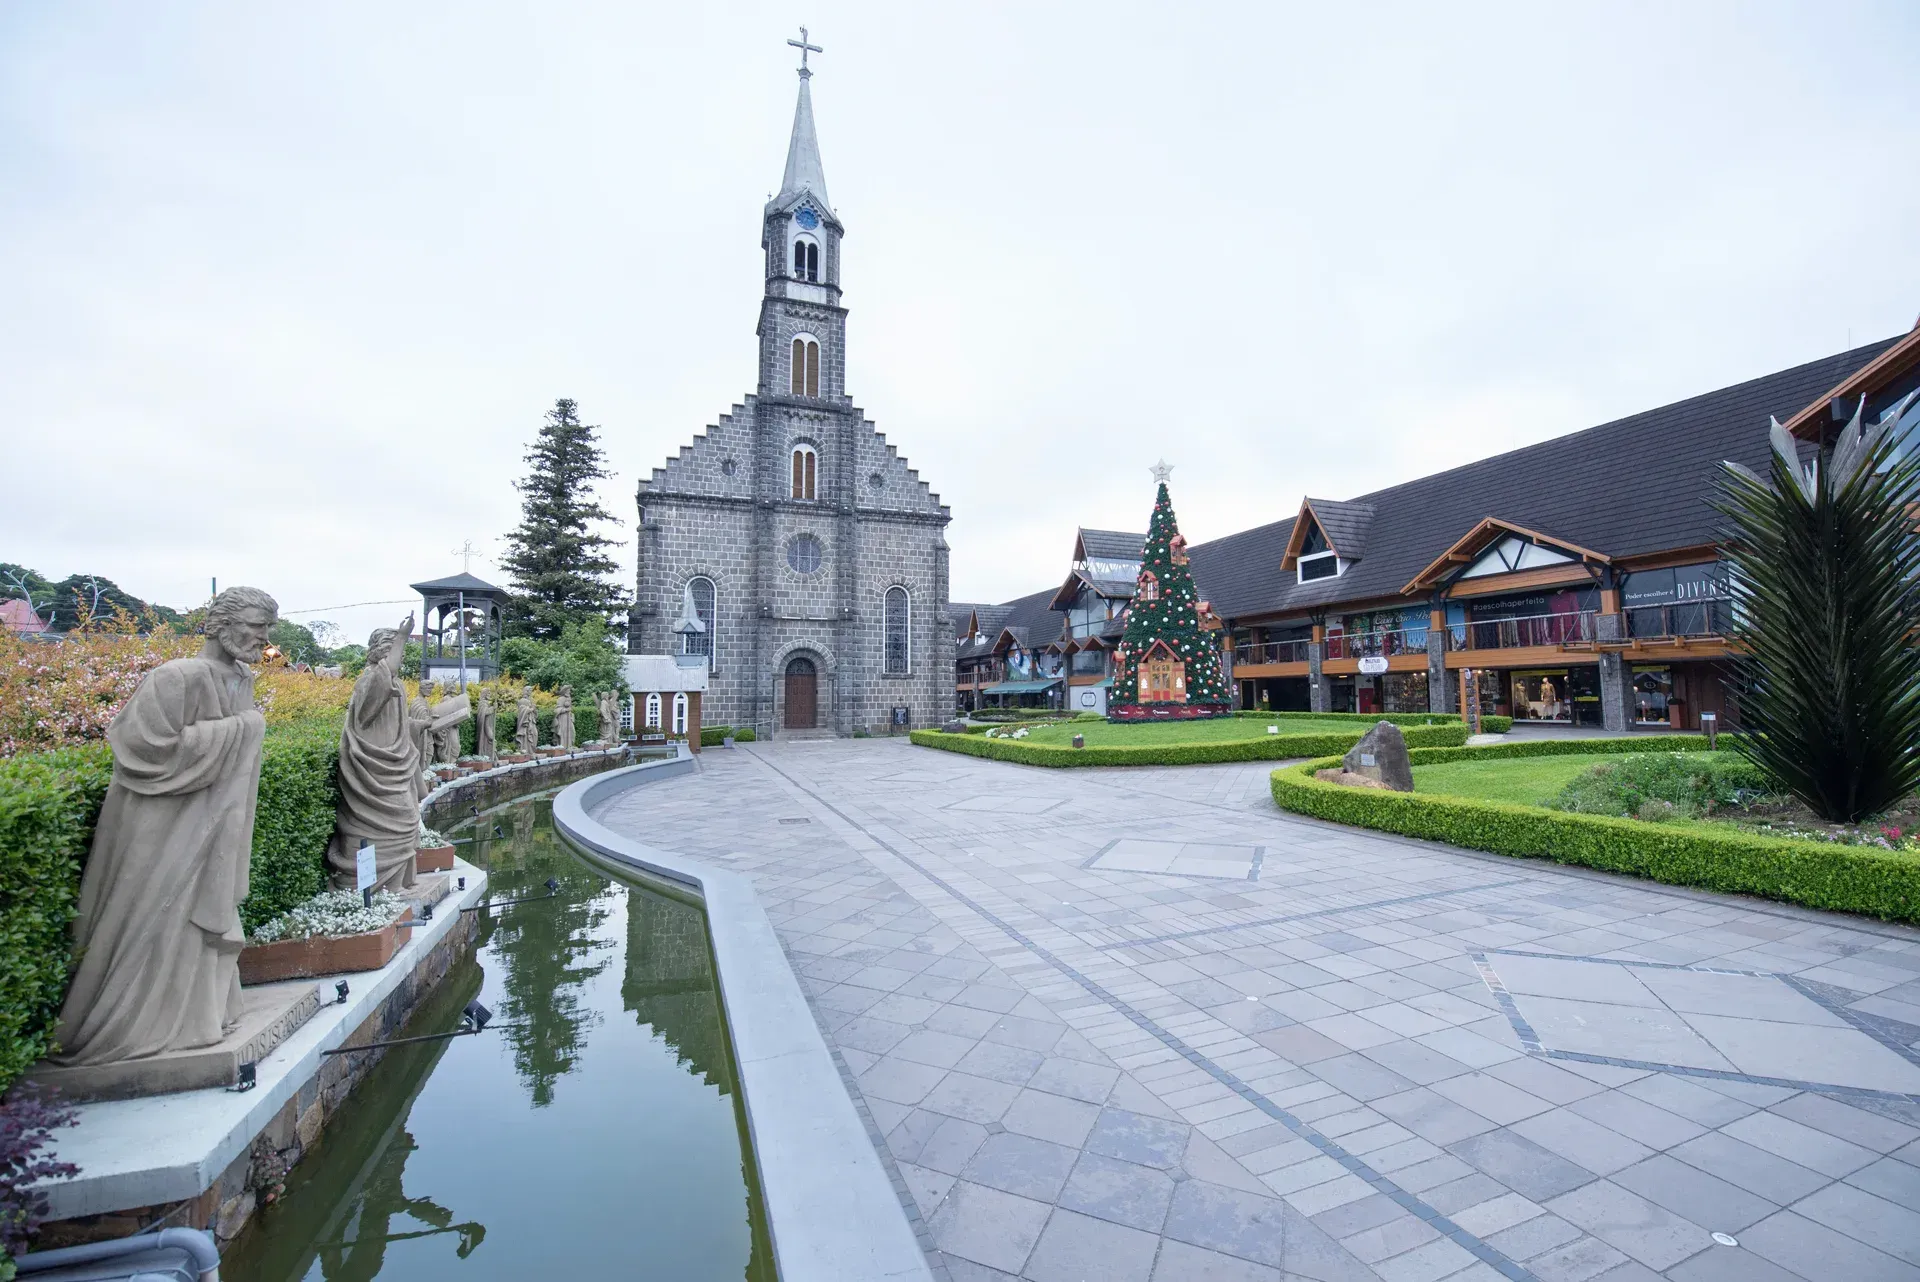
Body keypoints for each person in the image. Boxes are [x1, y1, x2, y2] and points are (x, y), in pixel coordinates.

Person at [52, 587, 278, 1066]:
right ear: (220, 622)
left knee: (201, 916)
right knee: (153, 913)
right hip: (166, 828)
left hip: (216, 822)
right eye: (256, 625)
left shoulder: (243, 678)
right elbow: (141, 748)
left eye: (267, 628)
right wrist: (243, 729)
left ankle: (200, 1016)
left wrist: (244, 724)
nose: (264, 636)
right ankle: (132, 1023)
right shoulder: (176, 676)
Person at [329, 617, 425, 893]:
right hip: (373, 766)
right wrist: (403, 636)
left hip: (396, 762)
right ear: (381, 651)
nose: (400, 656)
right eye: (395, 649)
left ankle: (396, 883)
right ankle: (370, 889)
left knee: (407, 820)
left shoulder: (398, 683)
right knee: (379, 827)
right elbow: (384, 676)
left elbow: (402, 725)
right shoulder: (371, 679)